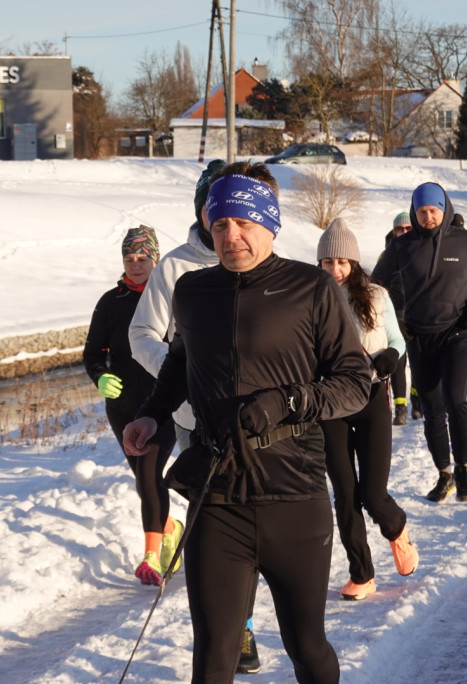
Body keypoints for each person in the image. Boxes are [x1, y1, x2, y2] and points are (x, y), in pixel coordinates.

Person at [123, 161, 370, 683]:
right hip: (218, 500)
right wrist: (150, 413)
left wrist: (287, 402)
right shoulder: (193, 291)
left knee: (308, 649)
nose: (230, 236)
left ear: (270, 224)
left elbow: (354, 382)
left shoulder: (311, 289)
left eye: (243, 223)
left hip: (294, 499)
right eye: (219, 225)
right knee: (214, 656)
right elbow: (181, 362)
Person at [128, 159, 263, 675]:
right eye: (214, 210)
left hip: (259, 423)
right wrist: (183, 374)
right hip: (194, 421)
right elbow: (142, 335)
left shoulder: (261, 258)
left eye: (234, 211)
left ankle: (243, 622)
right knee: (218, 528)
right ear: (202, 211)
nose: (224, 223)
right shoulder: (175, 268)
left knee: (252, 523)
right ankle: (236, 632)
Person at [373, 182, 467, 504]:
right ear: (415, 213)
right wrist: (397, 320)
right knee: (432, 409)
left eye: (434, 211)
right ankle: (444, 474)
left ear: (444, 210)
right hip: (419, 336)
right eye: (422, 212)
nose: (428, 217)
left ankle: (462, 469)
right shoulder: (402, 247)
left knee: (455, 402)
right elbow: (376, 286)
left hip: (456, 332)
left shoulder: (464, 241)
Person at [317, 218, 417, 601]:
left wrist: (388, 358)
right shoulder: (311, 298)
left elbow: (396, 340)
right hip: (331, 403)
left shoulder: (375, 295)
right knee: (344, 493)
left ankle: (397, 530)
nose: (336, 271)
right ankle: (362, 573)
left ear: (354, 263)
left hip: (372, 397)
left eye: (342, 262)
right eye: (328, 263)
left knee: (373, 494)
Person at [82, 226, 180, 586]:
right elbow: (92, 354)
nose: (136, 265)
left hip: (162, 404)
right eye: (129, 258)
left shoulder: (170, 297)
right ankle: (171, 527)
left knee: (151, 475)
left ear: (156, 260)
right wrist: (100, 378)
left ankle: (150, 557)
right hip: (121, 407)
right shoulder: (111, 302)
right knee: (143, 481)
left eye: (143, 258)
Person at [384, 211, 415, 426]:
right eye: (399, 228)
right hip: (394, 316)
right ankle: (400, 407)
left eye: (408, 228)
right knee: (398, 362)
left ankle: (419, 400)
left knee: (419, 360)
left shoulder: (421, 250)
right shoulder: (386, 254)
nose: (403, 232)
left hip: (418, 314)